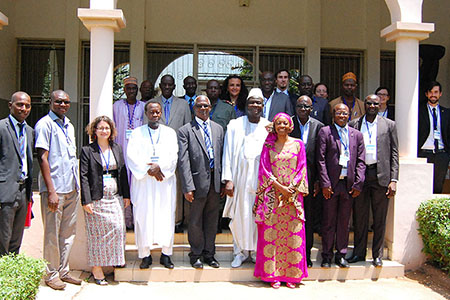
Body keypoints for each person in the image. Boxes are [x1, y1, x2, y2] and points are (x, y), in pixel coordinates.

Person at [253, 112, 309, 289]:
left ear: (290, 125)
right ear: (274, 126)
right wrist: (280, 188)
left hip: (293, 199)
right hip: (273, 198)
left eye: (285, 123)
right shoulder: (268, 146)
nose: (282, 126)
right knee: (273, 237)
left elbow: (302, 168)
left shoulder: (298, 144)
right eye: (279, 123)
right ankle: (273, 275)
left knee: (293, 235)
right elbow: (264, 170)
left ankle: (292, 276)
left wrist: (290, 189)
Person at [35, 90, 81, 290]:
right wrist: (51, 191)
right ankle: (51, 273)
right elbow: (42, 157)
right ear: (51, 102)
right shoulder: (44, 124)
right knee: (52, 234)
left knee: (68, 233)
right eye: (59, 101)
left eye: (66, 102)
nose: (63, 105)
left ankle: (63, 270)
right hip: (55, 189)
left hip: (70, 186)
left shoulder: (68, 125)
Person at [127, 101, 179, 269]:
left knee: (166, 216)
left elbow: (173, 156)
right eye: (151, 112)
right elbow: (131, 156)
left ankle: (166, 254)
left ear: (161, 113)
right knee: (143, 216)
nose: (155, 115)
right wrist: (148, 170)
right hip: (144, 183)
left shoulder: (170, 133)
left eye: (157, 112)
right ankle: (145, 255)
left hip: (164, 181)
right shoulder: (136, 133)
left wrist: (160, 168)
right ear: (146, 113)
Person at [348, 94, 399, 267]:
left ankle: (377, 255)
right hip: (360, 176)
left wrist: (394, 179)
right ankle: (358, 253)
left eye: (375, 103)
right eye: (368, 103)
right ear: (365, 104)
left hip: (381, 176)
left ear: (380, 105)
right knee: (359, 218)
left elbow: (394, 153)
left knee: (379, 218)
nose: (371, 106)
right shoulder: (354, 124)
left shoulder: (389, 125)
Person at [222, 88, 270, 268]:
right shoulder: (235, 125)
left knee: (258, 216)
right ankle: (239, 252)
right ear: (246, 104)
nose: (255, 106)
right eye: (252, 102)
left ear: (263, 106)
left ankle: (258, 252)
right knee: (239, 216)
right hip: (240, 178)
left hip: (261, 180)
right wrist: (228, 179)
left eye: (258, 102)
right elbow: (227, 152)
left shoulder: (269, 126)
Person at [80, 116, 130, 285]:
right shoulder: (88, 150)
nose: (104, 131)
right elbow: (84, 177)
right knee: (96, 235)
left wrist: (127, 195)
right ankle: (97, 269)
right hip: (96, 198)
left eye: (107, 128)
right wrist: (86, 200)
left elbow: (123, 173)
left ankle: (116, 260)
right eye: (100, 128)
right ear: (94, 130)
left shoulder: (116, 148)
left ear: (111, 131)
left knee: (118, 228)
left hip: (114, 196)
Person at [177, 95, 224, 269]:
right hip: (196, 183)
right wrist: (187, 186)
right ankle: (195, 254)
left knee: (212, 220)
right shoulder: (185, 130)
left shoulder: (218, 129)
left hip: (215, 181)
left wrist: (224, 181)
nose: (203, 109)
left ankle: (209, 254)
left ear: (210, 107)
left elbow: (222, 156)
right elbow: (183, 161)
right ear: (194, 108)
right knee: (195, 221)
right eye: (199, 106)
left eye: (206, 106)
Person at [317, 103, 366, 268]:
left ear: (349, 115)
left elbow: (361, 160)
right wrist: (324, 183)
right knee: (329, 221)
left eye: (345, 113)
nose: (342, 116)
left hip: (348, 184)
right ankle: (326, 256)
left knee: (344, 222)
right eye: (339, 113)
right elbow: (321, 159)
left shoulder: (357, 135)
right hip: (331, 184)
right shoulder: (325, 132)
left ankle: (341, 255)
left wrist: (358, 183)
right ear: (333, 114)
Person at [149, 74, 191, 233]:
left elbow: (187, 129)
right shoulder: (152, 104)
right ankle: (156, 220)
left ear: (174, 87)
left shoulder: (183, 104)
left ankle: (176, 221)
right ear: (160, 85)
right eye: (164, 85)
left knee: (177, 187)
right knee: (157, 188)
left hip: (177, 153)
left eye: (170, 85)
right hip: (156, 155)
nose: (167, 87)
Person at [290, 95, 324, 268]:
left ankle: (306, 255)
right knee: (291, 217)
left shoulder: (319, 127)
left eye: (306, 107)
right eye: (300, 106)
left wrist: (318, 180)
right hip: (289, 179)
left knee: (308, 218)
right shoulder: (287, 125)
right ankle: (290, 254)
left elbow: (321, 157)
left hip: (310, 178)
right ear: (295, 107)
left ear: (312, 109)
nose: (303, 109)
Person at [0, 92, 33, 257]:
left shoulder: (29, 131)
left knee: (16, 239)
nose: (24, 109)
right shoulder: (1, 127)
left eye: (27, 105)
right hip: (5, 192)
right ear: (10, 105)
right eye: (20, 104)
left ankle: (12, 275)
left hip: (23, 192)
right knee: (3, 238)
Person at [113, 77, 145, 229]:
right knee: (124, 183)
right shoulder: (117, 106)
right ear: (124, 90)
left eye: (134, 89)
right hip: (121, 150)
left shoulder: (143, 106)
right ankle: (126, 221)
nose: (131, 91)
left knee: (138, 184)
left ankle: (138, 221)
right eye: (129, 88)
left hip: (138, 153)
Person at [418, 81, 450, 194]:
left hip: (441, 154)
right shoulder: (418, 111)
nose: (433, 95)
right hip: (424, 153)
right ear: (426, 94)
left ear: (440, 94)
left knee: (438, 186)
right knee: (422, 185)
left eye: (436, 92)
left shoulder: (446, 113)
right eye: (430, 92)